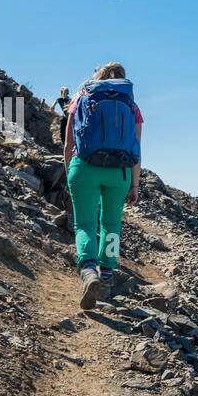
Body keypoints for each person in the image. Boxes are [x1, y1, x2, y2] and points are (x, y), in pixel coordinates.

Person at [62, 62, 142, 309]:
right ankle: (106, 275)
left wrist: (70, 174)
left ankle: (88, 271)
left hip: (84, 167)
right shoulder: (131, 105)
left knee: (85, 223)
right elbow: (136, 149)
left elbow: (68, 144)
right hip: (119, 172)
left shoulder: (82, 97)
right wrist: (135, 185)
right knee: (111, 224)